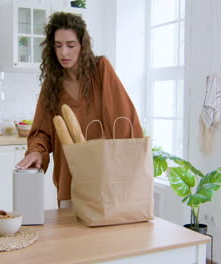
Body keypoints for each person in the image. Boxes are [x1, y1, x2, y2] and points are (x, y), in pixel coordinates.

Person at [15, 12, 143, 208]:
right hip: (69, 179)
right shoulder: (52, 85)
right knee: (71, 237)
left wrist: (129, 169)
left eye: (70, 45)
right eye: (58, 46)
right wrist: (36, 152)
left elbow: (124, 119)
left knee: (105, 238)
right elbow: (42, 132)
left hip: (106, 179)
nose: (64, 53)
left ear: (82, 45)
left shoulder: (101, 70)